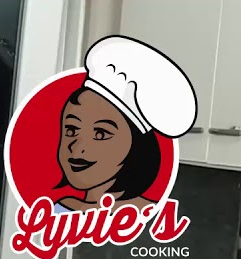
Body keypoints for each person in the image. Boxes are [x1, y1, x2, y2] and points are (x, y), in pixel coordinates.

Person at [53, 35, 195, 214]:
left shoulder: (149, 217)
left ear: (136, 147)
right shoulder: (60, 209)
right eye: (71, 130)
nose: (77, 147)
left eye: (100, 134)